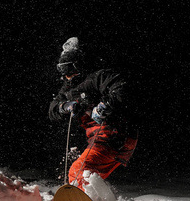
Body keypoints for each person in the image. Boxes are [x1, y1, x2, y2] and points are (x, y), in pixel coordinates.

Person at [49, 37, 138, 191]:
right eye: (62, 69)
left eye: (68, 68)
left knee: (78, 172)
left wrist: (106, 105)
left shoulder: (98, 77)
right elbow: (53, 110)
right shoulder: (68, 89)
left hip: (114, 135)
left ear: (78, 65)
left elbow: (122, 88)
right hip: (102, 139)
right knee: (84, 176)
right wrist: (64, 106)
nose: (66, 75)